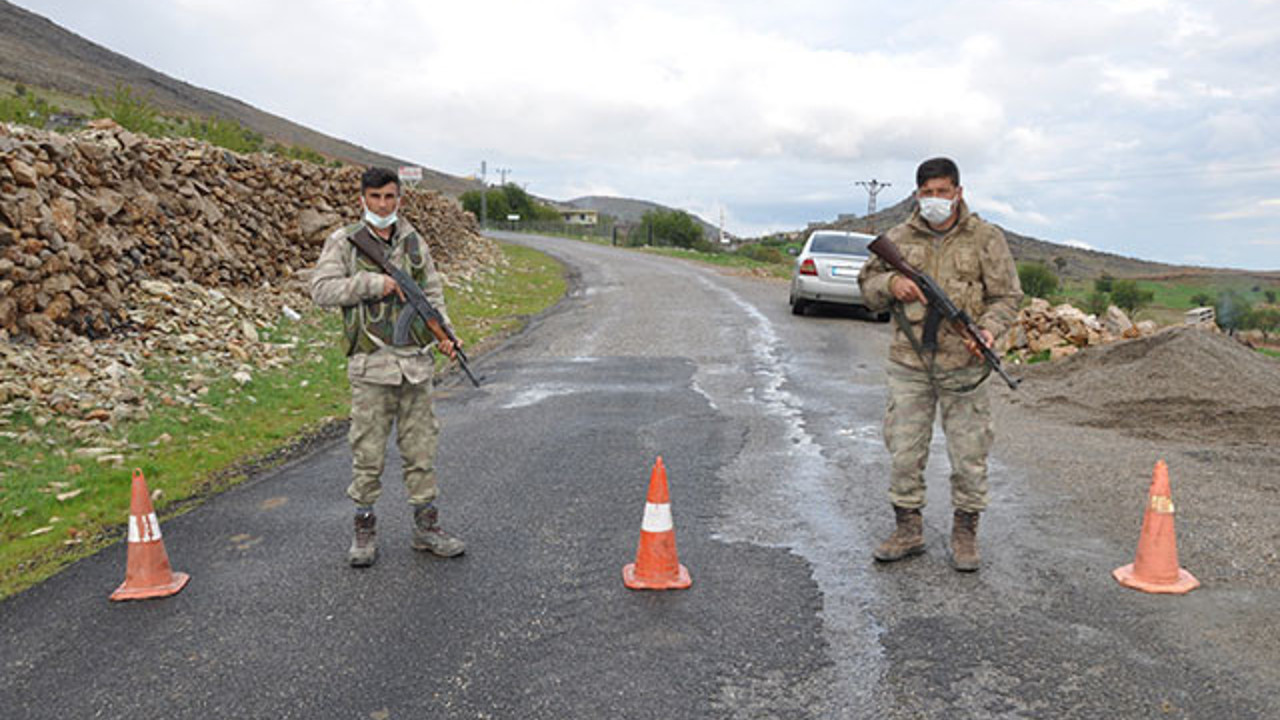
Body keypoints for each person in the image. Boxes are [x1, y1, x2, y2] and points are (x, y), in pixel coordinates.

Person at [857, 157, 1022, 572]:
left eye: (943, 192)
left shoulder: (986, 239)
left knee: (969, 453)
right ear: (917, 195)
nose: (935, 200)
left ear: (959, 193)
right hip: (910, 363)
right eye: (927, 193)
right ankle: (908, 529)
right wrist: (892, 283)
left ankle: (965, 532)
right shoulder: (897, 237)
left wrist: (986, 331)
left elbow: (1007, 298)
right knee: (904, 451)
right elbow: (867, 285)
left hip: (964, 367)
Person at [309, 166, 466, 567]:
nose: (383, 204)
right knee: (368, 452)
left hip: (414, 365)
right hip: (371, 366)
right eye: (375, 197)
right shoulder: (345, 241)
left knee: (421, 450)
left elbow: (431, 293)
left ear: (400, 198)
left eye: (390, 197)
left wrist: (445, 334)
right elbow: (321, 290)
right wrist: (371, 284)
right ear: (363, 198)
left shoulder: (414, 241)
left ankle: (426, 527)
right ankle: (364, 530)